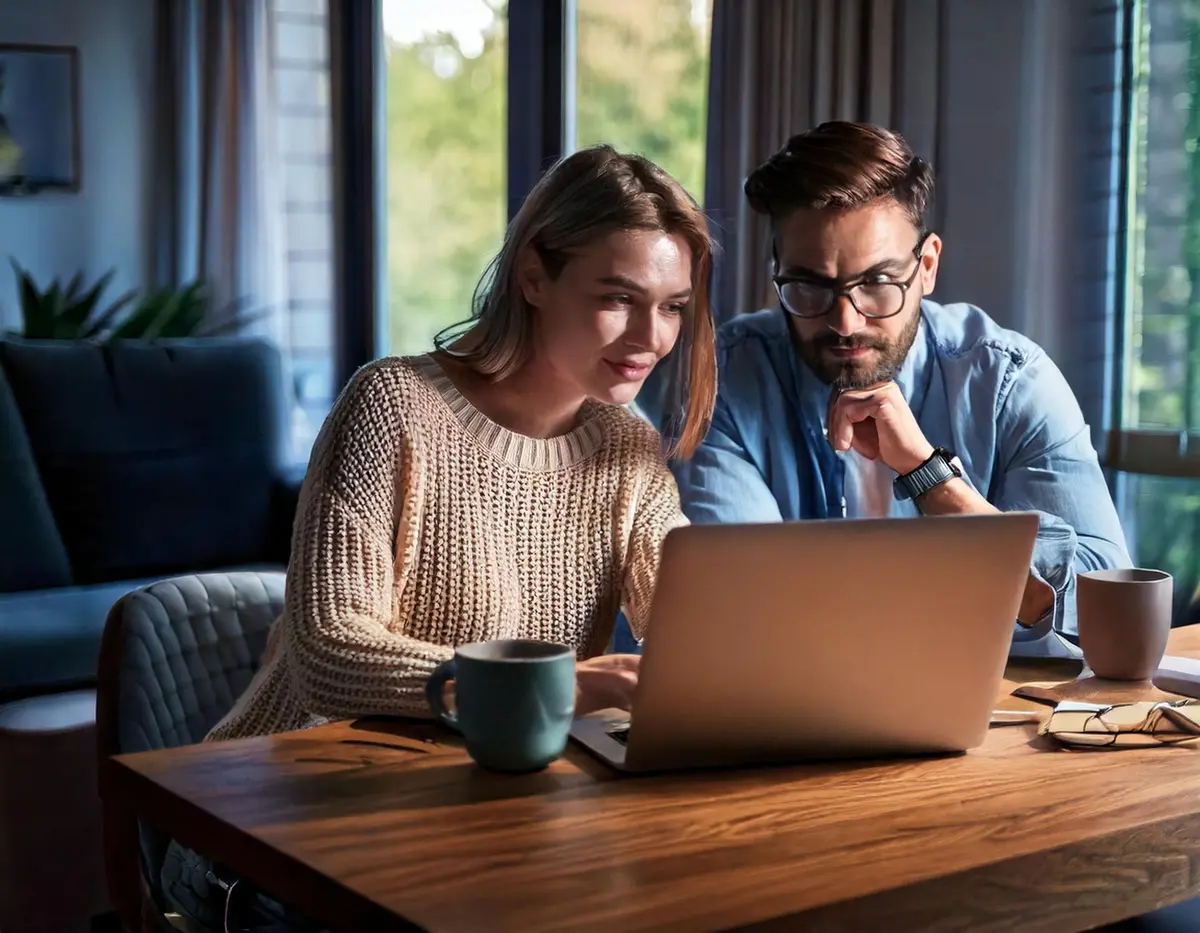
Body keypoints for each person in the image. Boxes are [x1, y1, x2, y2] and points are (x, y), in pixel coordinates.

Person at [161, 144, 717, 930]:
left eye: (672, 306)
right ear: (534, 275)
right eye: (618, 297)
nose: (650, 336)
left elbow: (698, 630)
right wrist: (561, 686)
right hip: (268, 834)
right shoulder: (391, 404)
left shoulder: (629, 448)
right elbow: (327, 655)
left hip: (471, 821)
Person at [675, 121, 1130, 639]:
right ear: (777, 271)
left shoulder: (1009, 381)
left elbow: (1105, 609)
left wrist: (929, 478)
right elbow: (738, 606)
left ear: (927, 266)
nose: (845, 322)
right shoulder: (725, 378)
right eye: (808, 285)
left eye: (877, 282)